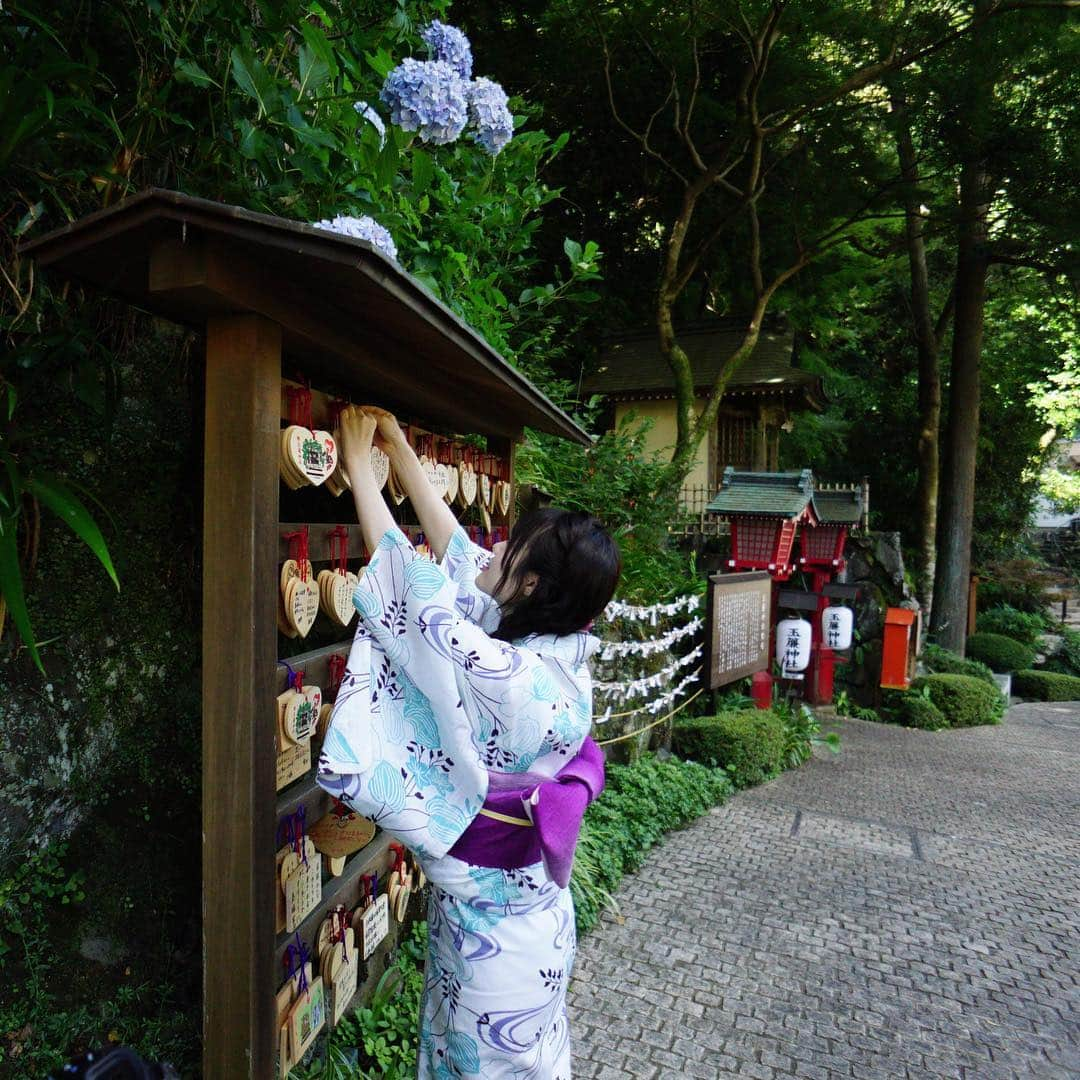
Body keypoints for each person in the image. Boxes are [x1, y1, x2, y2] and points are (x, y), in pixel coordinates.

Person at [317, 406, 621, 1079]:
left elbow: (417, 604)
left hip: (501, 940)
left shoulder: (516, 680)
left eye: (511, 549)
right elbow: (462, 562)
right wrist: (396, 450)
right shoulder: (556, 647)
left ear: (533, 584)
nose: (495, 552)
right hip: (523, 911)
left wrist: (361, 471)